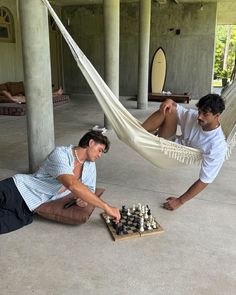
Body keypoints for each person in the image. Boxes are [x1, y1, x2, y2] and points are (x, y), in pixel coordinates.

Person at [0, 131, 120, 234]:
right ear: (91, 143)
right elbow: (72, 184)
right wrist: (106, 207)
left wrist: (84, 200)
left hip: (27, 209)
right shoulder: (60, 154)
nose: (99, 155)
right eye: (99, 150)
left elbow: (89, 189)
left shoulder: (90, 165)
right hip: (15, 189)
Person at [142, 93, 227, 211]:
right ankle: (138, 131)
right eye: (199, 112)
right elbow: (173, 105)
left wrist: (179, 201)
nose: (200, 117)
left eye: (205, 114)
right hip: (169, 143)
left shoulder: (217, 145)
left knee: (168, 112)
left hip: (175, 155)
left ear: (217, 116)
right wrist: (169, 100)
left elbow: (205, 180)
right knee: (169, 109)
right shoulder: (193, 117)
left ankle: (146, 133)